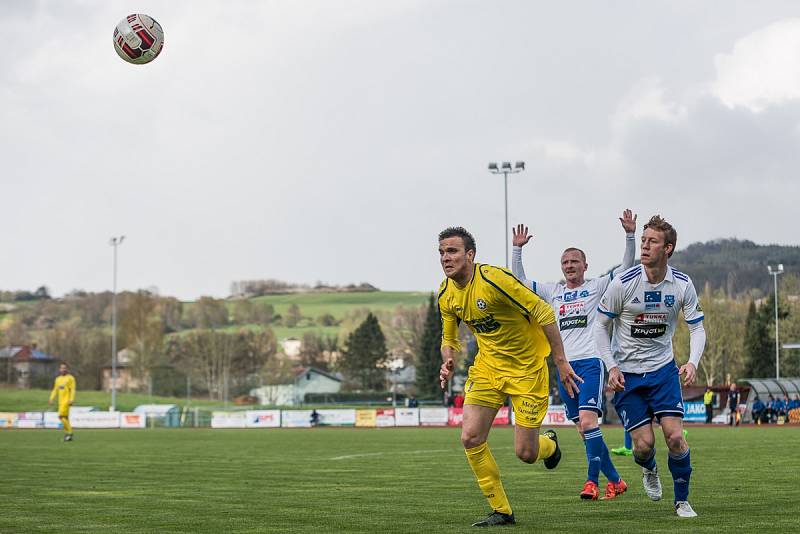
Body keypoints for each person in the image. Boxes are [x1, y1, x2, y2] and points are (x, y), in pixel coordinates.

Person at [437, 226, 581, 527]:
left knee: (526, 453)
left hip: (528, 369)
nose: (445, 258)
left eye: (452, 251)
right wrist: (448, 360)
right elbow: (448, 339)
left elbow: (543, 311)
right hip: (488, 369)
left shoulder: (494, 279)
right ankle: (501, 510)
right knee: (470, 437)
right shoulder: (446, 295)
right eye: (441, 252)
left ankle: (550, 445)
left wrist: (560, 360)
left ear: (470, 254)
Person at [511, 209, 637, 501]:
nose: (569, 266)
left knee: (589, 423)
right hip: (564, 366)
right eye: (565, 262)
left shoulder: (597, 286)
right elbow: (519, 282)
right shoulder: (552, 291)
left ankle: (591, 483)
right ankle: (617, 481)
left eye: (574, 261)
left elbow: (627, 267)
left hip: (591, 362)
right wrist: (517, 250)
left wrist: (630, 235)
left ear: (584, 265)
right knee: (583, 429)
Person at [594, 215, 706, 518]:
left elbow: (697, 327)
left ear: (667, 248)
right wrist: (612, 366)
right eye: (643, 240)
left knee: (675, 437)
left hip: (664, 372)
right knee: (643, 447)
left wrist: (693, 362)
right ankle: (649, 468)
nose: (644, 246)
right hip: (628, 377)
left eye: (652, 241)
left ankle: (682, 500)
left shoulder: (682, 284)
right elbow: (600, 327)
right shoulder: (623, 283)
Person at [48, 362, 76, 442]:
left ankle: (70, 433)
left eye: (64, 368)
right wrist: (51, 398)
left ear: (67, 369)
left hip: (66, 401)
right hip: (60, 402)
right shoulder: (58, 379)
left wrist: (71, 399)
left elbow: (73, 390)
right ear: (59, 369)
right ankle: (68, 435)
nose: (63, 369)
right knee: (65, 418)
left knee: (61, 416)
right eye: (61, 368)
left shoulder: (70, 378)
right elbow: (55, 390)